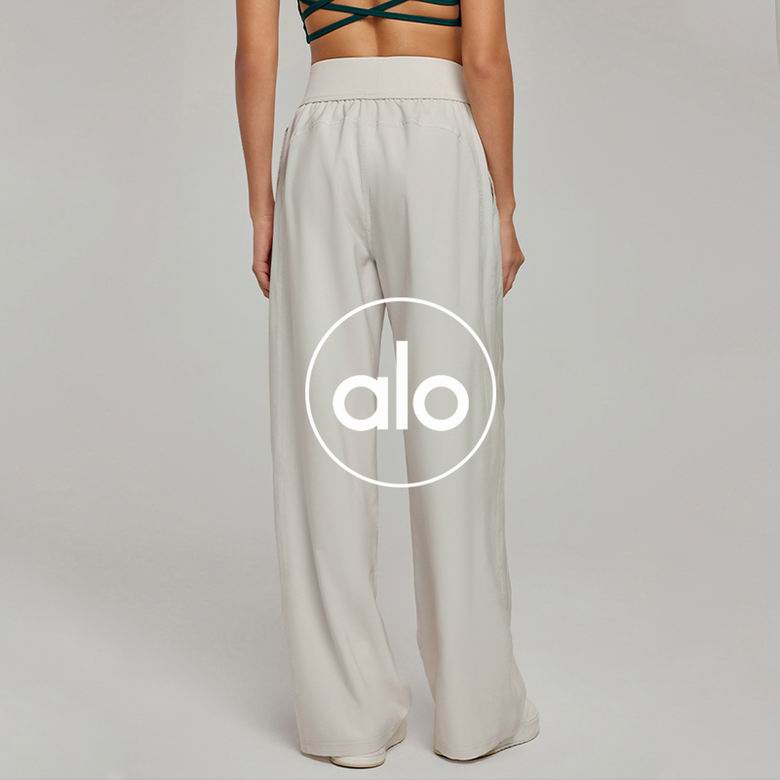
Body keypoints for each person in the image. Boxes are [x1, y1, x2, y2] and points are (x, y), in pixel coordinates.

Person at [236, 0, 538, 768]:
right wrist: (504, 205)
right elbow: (485, 59)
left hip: (321, 135)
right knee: (453, 426)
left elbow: (257, 55)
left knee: (322, 433)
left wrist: (261, 206)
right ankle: (475, 713)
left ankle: (347, 717)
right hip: (437, 136)